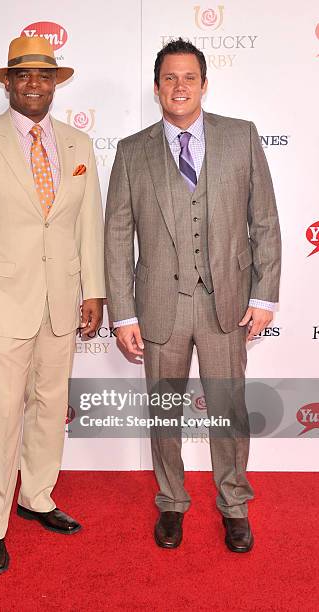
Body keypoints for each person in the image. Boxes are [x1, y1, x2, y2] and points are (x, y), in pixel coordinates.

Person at [104, 38, 281, 552]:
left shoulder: (241, 137)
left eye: (189, 78)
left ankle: (233, 504)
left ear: (204, 84)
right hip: (160, 304)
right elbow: (117, 234)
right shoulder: (131, 151)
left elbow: (264, 221)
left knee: (229, 409)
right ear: (157, 87)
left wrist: (264, 295)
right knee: (165, 412)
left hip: (227, 302)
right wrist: (122, 313)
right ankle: (172, 502)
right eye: (169, 78)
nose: (179, 87)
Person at [0, 36, 105, 573]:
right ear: (8, 82)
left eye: (44, 75)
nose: (34, 83)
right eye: (23, 75)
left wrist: (94, 290)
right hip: (0, 303)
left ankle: (37, 496)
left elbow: (89, 225)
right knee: (1, 415)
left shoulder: (79, 144)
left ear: (56, 82)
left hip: (61, 299)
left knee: (48, 407)